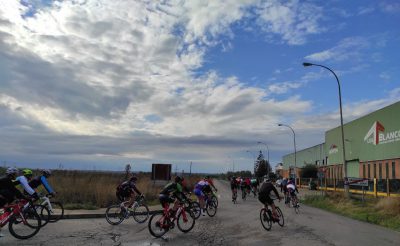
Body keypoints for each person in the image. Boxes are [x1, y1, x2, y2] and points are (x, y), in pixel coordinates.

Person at [0, 167, 28, 238]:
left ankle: (10, 219)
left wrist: (15, 197)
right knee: (3, 209)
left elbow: (10, 191)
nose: (16, 176)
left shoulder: (5, 178)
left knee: (5, 209)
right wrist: (23, 197)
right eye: (15, 174)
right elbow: (14, 190)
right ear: (11, 174)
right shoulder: (6, 180)